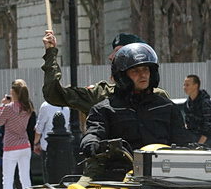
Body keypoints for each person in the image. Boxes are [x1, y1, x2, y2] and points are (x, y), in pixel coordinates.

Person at [80, 43, 190, 181]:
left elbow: (183, 142)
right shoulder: (104, 109)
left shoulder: (167, 107)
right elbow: (94, 132)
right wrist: (91, 142)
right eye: (135, 71)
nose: (143, 75)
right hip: (117, 178)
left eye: (145, 69)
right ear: (122, 76)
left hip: (162, 177)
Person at [42, 30, 170, 116]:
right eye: (135, 71)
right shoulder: (101, 95)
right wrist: (51, 53)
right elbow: (54, 94)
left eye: (119, 52)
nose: (111, 57)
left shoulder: (159, 98)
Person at [0, 80, 35, 189]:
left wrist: (0, 107)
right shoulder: (28, 107)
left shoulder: (8, 108)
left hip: (11, 146)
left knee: (8, 179)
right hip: (25, 145)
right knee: (25, 179)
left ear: (14, 92)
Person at [34, 100, 71, 183]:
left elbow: (39, 128)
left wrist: (35, 143)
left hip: (47, 146)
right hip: (63, 147)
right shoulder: (66, 107)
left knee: (48, 175)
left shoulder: (46, 106)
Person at [182, 74, 211, 147]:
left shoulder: (205, 103)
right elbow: (187, 123)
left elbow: (209, 125)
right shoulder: (187, 103)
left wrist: (200, 144)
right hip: (192, 138)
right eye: (184, 85)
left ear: (195, 86)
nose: (184, 87)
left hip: (204, 141)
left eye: (187, 85)